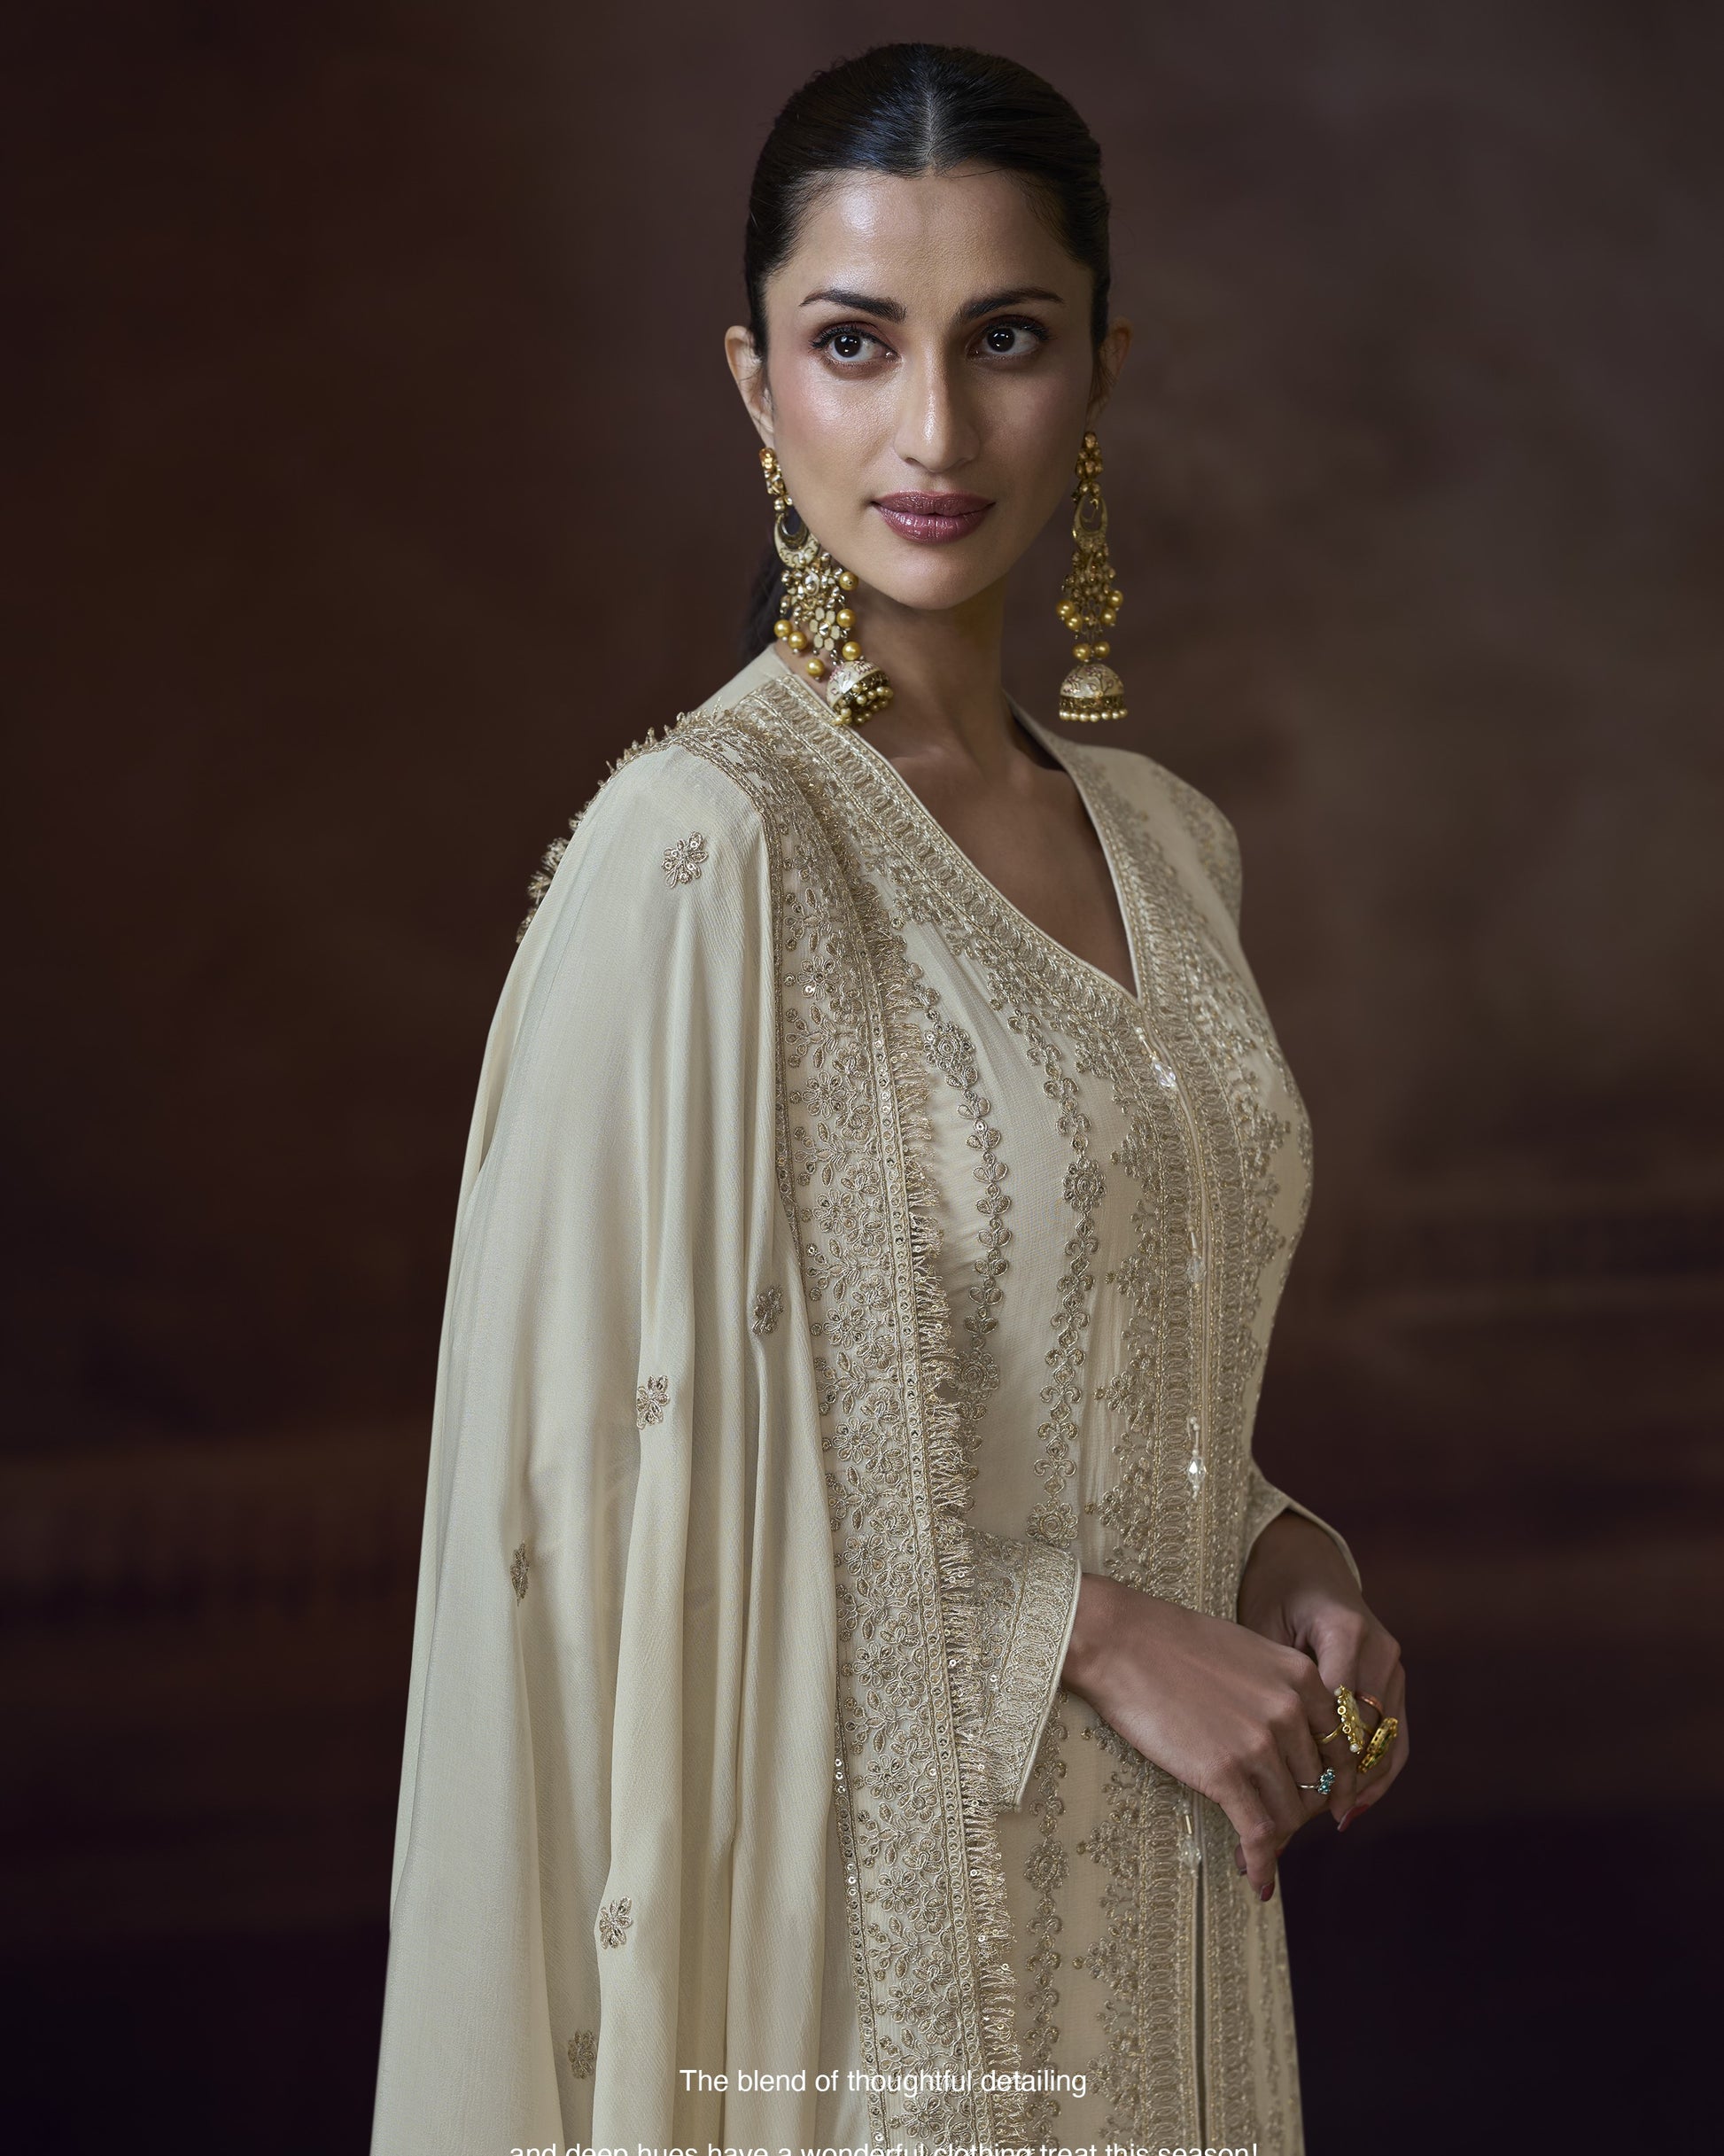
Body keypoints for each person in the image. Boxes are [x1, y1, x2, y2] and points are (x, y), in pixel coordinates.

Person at [369, 42, 1408, 2156]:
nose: (933, 431)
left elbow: (1088, 1367)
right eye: (857, 344)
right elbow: (582, 1524)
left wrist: (1277, 1557)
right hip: (869, 1997)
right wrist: (1092, 1631)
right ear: (757, 384)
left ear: (1100, 368)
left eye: (1004, 340)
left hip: (1188, 1951)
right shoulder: (704, 851)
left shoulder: (1170, 845)